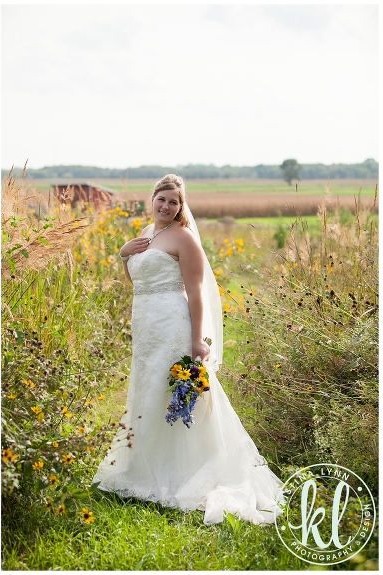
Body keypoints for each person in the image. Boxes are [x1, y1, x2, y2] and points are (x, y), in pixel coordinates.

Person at [92, 174, 281, 525]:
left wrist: (197, 339)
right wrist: (123, 255)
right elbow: (139, 283)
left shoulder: (185, 238)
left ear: (181, 206)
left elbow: (196, 293)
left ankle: (187, 469)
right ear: (151, 199)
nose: (166, 206)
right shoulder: (148, 235)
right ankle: (142, 463)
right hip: (145, 324)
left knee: (176, 392)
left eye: (173, 202)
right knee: (148, 388)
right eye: (161, 199)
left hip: (172, 324)